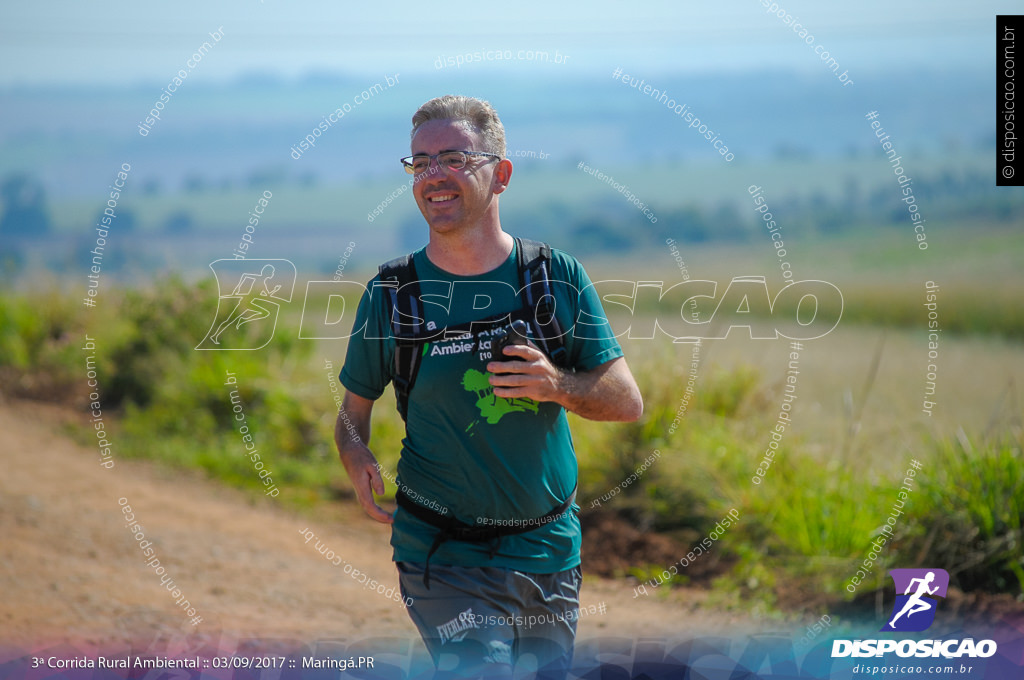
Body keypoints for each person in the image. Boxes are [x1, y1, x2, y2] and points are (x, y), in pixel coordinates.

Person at [335, 95, 642, 679]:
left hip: (550, 549)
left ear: (500, 174)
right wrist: (355, 456)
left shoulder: (554, 278)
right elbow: (353, 413)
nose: (434, 177)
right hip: (442, 552)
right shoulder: (393, 293)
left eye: (453, 158)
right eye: (420, 164)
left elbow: (627, 401)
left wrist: (556, 384)